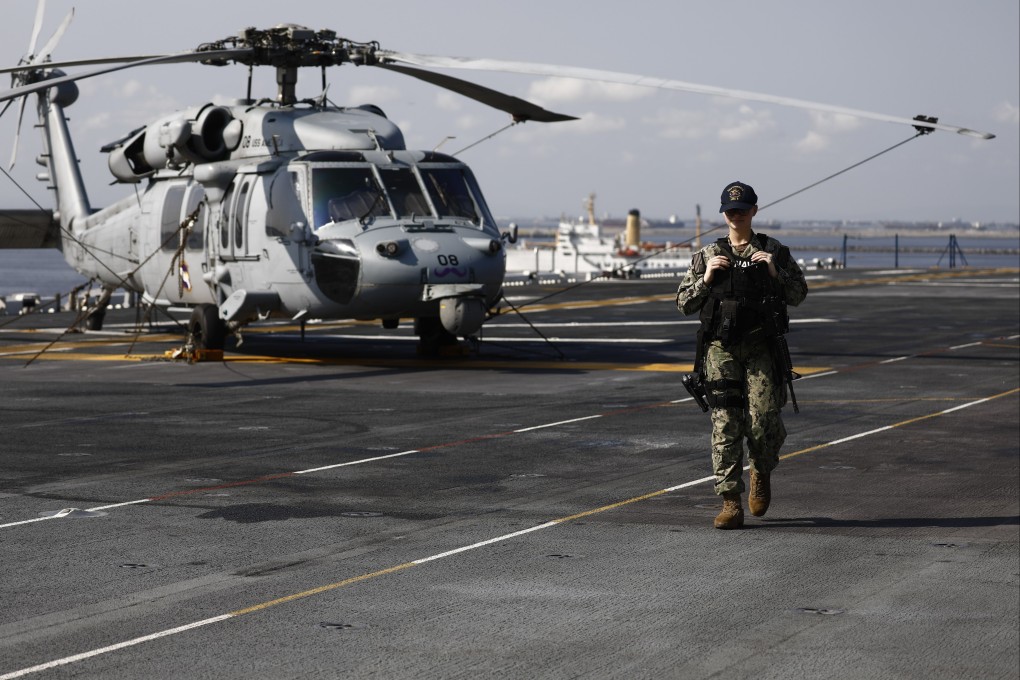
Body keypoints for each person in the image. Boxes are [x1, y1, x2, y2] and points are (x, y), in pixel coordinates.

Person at [676, 181, 808, 529]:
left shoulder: (773, 251)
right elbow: (683, 303)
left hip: (761, 346)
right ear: (724, 214)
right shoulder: (707, 254)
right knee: (725, 425)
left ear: (754, 211)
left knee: (763, 421)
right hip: (721, 349)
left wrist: (774, 272)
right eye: (730, 210)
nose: (736, 215)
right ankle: (730, 501)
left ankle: (762, 470)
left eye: (742, 209)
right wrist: (706, 279)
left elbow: (798, 294)